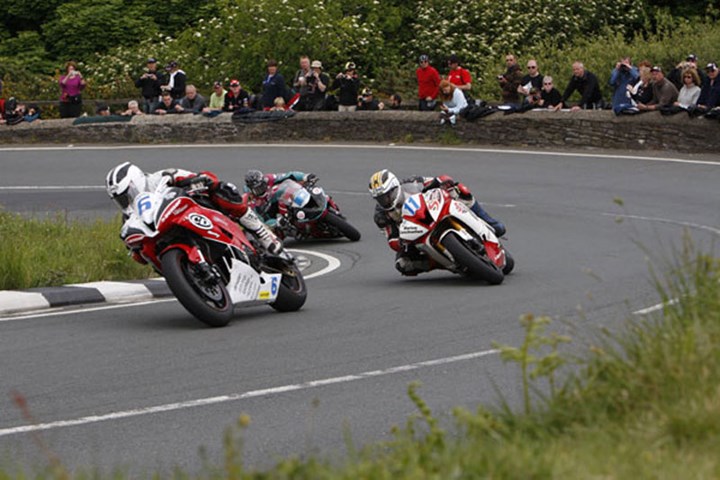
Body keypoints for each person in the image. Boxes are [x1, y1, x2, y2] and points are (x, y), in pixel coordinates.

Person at [105, 162, 283, 256]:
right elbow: (135, 253)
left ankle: (262, 233)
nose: (125, 201)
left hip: (190, 210)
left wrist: (199, 181)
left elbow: (195, 176)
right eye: (120, 199)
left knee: (222, 189)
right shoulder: (129, 217)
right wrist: (136, 249)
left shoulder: (161, 177)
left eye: (126, 195)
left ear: (136, 181)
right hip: (166, 234)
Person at [368, 169, 506, 276]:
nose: (385, 200)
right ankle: (442, 263)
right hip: (412, 234)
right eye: (381, 198)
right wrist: (401, 242)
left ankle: (490, 222)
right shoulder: (381, 215)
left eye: (388, 195)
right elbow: (391, 239)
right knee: (403, 264)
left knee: (459, 189)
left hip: (431, 211)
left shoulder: (411, 182)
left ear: (395, 187)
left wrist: (443, 181)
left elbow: (434, 181)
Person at [244, 169, 318, 227]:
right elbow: (258, 220)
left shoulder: (269, 178)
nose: (261, 189)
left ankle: (303, 207)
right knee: (271, 227)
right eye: (257, 189)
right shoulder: (250, 200)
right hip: (268, 211)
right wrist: (275, 223)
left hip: (277, 198)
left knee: (290, 189)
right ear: (251, 190)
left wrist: (304, 176)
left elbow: (289, 175)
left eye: (262, 185)